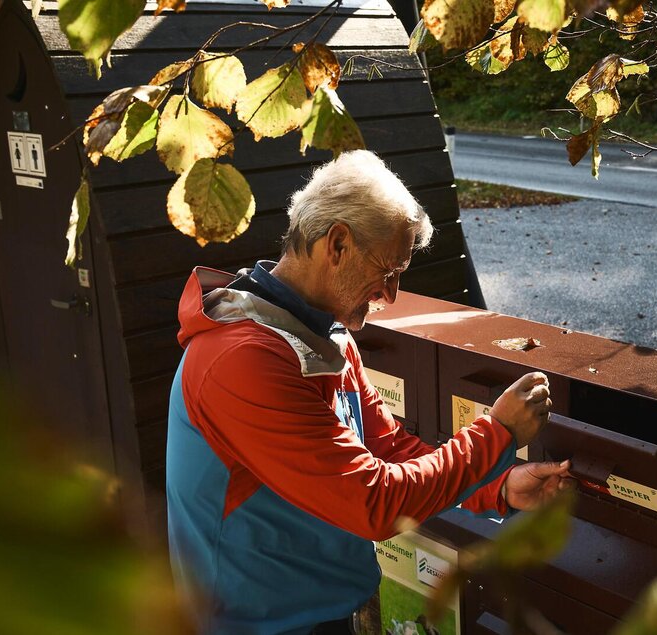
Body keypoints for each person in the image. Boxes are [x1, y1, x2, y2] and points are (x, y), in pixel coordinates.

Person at [166, 150, 573, 635]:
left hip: (326, 612)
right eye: (387, 271)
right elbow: (374, 502)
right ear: (337, 244)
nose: (391, 294)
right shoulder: (242, 360)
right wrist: (497, 433)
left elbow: (389, 448)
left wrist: (498, 485)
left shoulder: (323, 337)